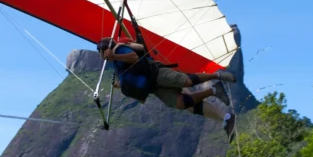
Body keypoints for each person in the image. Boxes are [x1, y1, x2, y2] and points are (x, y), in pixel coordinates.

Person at [96, 36, 237, 142]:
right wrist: (121, 84)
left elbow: (134, 57)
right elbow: (132, 75)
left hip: (156, 73)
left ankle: (217, 76)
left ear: (105, 50)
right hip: (153, 87)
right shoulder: (116, 63)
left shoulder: (119, 49)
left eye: (100, 53)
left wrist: (114, 54)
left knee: (186, 81)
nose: (100, 56)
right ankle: (214, 91)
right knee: (182, 104)